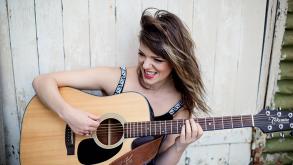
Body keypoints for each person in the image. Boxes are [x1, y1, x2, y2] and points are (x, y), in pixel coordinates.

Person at [32, 8, 209, 165]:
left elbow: (157, 162)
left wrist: (179, 146)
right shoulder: (118, 78)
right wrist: (69, 114)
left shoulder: (180, 108)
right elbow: (42, 81)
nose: (146, 65)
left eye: (157, 60)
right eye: (142, 54)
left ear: (175, 63)